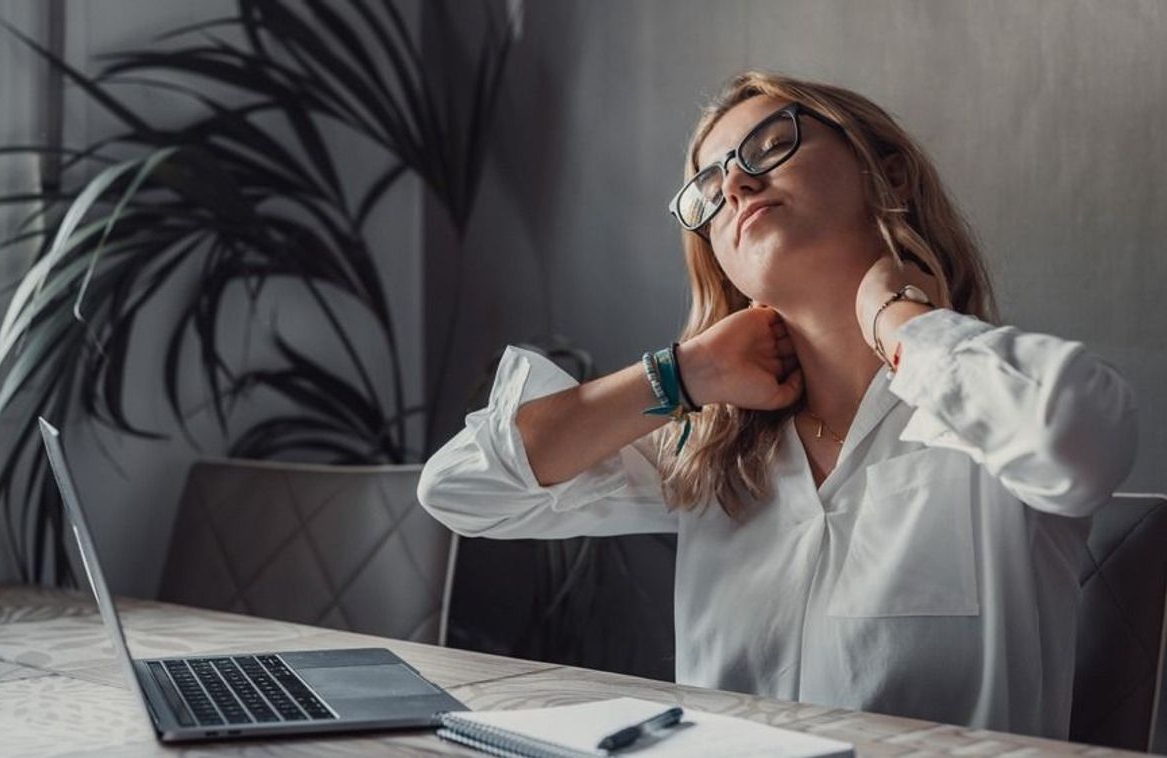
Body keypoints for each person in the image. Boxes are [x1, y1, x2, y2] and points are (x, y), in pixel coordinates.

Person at [417, 71, 1139, 739]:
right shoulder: (705, 449)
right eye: (707, 183)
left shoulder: (987, 415)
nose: (732, 181)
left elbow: (1072, 435)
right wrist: (681, 374)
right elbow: (462, 488)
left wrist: (898, 316)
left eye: (768, 146)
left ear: (884, 172)